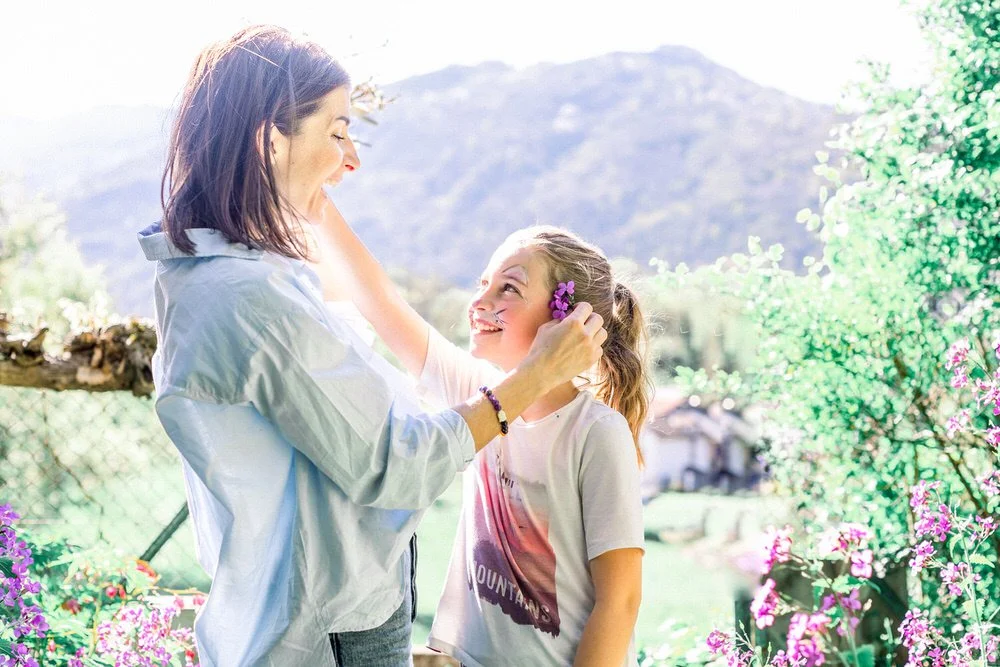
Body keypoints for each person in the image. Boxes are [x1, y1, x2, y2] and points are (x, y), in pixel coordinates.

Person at [137, 25, 606, 667]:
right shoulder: (252, 302)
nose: (352, 157)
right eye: (336, 131)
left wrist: (312, 204)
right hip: (335, 630)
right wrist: (533, 374)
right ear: (271, 138)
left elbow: (379, 309)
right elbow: (396, 465)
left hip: (335, 611)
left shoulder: (235, 278)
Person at [312, 198, 649, 666]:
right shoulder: (481, 399)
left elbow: (621, 600)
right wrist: (317, 201)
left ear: (566, 320)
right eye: (482, 284)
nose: (480, 302)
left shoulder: (596, 434)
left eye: (508, 289)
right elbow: (379, 302)